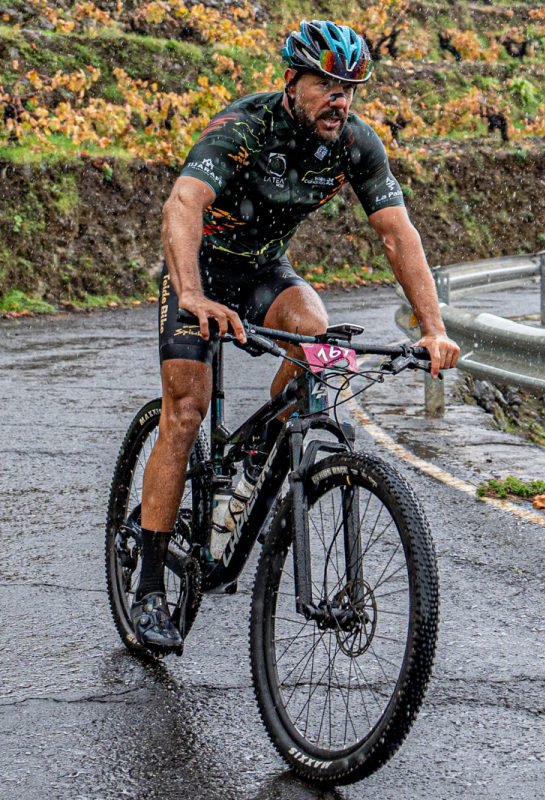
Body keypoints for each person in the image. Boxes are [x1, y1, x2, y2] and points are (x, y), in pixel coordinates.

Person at [131, 19, 460, 652]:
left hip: (263, 271)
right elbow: (182, 205)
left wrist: (434, 328)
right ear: (292, 82)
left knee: (316, 334)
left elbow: (397, 234)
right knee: (186, 409)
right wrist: (194, 294)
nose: (341, 99)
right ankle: (148, 589)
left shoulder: (356, 145)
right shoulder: (246, 127)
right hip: (202, 268)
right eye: (327, 86)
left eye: (350, 87)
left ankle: (257, 458)